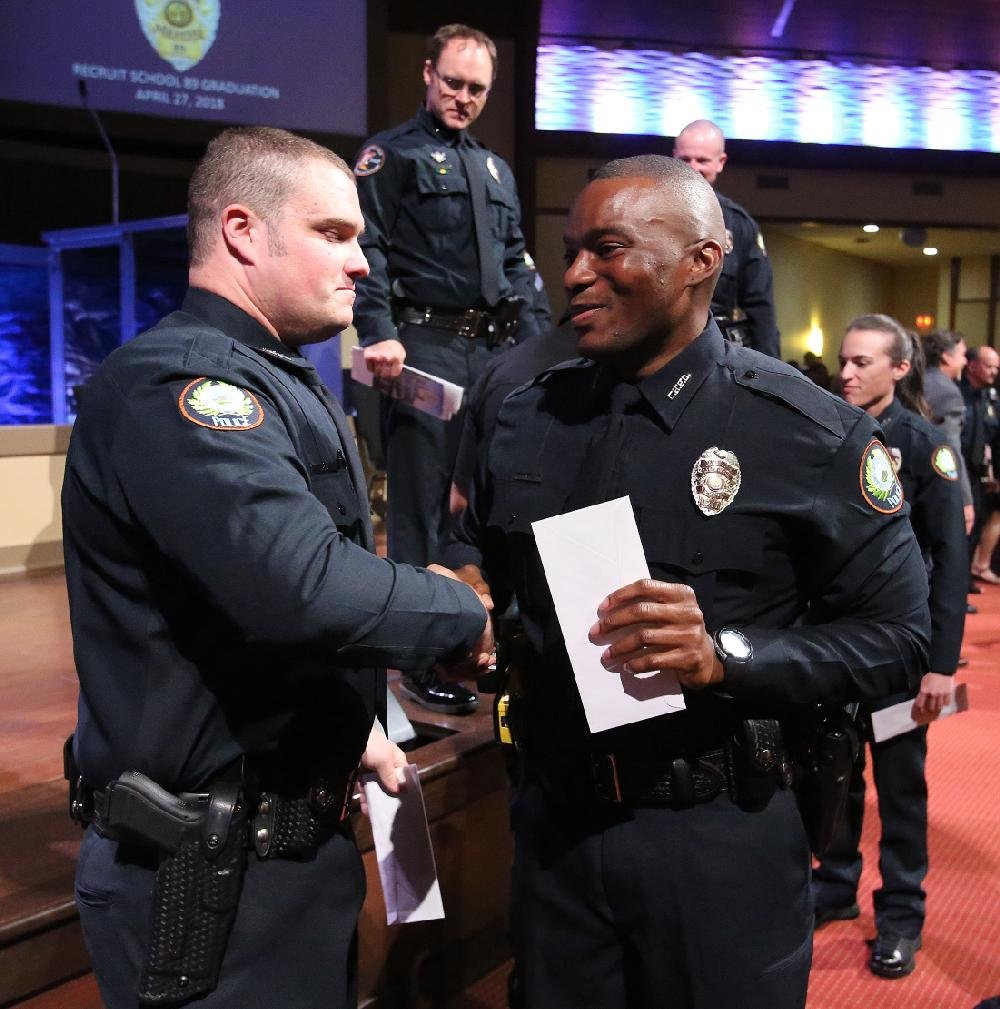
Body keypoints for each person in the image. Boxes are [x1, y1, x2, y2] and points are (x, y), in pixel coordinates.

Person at [443, 155, 929, 1009]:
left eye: (609, 248)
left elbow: (899, 638)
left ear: (703, 260)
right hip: (556, 831)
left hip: (719, 837)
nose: (576, 274)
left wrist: (725, 656)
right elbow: (480, 555)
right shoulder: (525, 413)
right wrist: (471, 599)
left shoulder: (809, 435)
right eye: (570, 252)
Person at [62, 127, 491, 1009]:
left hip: (284, 858)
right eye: (334, 234)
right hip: (206, 881)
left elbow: (238, 623)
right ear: (244, 232)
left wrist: (350, 726)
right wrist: (462, 614)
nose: (363, 263)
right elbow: (301, 585)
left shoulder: (271, 378)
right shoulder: (183, 387)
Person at [353, 23, 546, 714]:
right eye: (454, 83)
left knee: (494, 502)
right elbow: (367, 248)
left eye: (478, 89)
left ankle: (480, 642)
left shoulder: (495, 169)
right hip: (423, 349)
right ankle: (416, 659)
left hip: (495, 354)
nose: (464, 98)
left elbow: (520, 261)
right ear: (428, 74)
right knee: (420, 511)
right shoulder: (389, 155)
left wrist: (547, 347)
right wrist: (376, 331)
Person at [812, 315, 966, 979]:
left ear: (900, 368)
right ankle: (837, 883)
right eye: (844, 361)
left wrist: (941, 664)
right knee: (834, 775)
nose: (846, 373)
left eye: (862, 362)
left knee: (901, 787)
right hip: (834, 646)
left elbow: (951, 558)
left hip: (902, 653)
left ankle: (902, 912)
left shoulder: (926, 444)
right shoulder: (824, 432)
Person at [673, 118, 780, 358]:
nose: (692, 168)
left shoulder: (739, 225)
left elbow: (761, 308)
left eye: (702, 160)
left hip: (714, 353)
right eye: (684, 159)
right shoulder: (645, 214)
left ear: (720, 162)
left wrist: (772, 377)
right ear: (673, 158)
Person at [922, 329, 975, 537]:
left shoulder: (917, 380)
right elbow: (950, 450)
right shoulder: (947, 392)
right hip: (934, 485)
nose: (965, 362)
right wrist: (965, 501)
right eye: (962, 355)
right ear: (946, 356)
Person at [960, 345, 1000, 571]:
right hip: (958, 469)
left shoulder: (990, 398)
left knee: (975, 528)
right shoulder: (957, 394)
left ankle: (966, 580)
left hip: (977, 473)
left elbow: (995, 439)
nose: (994, 372)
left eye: (997, 368)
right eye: (989, 366)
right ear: (972, 366)